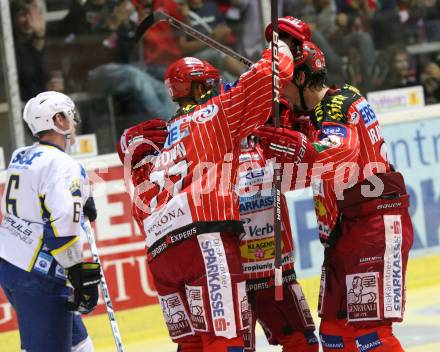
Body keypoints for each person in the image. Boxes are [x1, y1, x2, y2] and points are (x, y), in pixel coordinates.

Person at [117, 24, 297, 349]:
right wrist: (281, 46)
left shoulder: (165, 137)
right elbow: (273, 73)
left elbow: (139, 205)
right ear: (200, 89)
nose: (219, 89)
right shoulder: (216, 113)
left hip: (160, 252)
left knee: (193, 345)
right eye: (212, 85)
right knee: (224, 341)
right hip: (204, 241)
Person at [254, 41, 414, 351]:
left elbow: (339, 151)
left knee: (370, 334)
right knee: (334, 334)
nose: (282, 96)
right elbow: (297, 174)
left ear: (300, 79)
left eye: (284, 87)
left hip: (374, 225)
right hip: (348, 230)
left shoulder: (336, 105)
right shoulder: (323, 111)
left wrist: (298, 145)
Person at [0, 91, 101, 351]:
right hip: (39, 272)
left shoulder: (20, 155)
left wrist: (80, 196)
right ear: (59, 119)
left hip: (11, 264)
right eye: (71, 116)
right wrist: (78, 273)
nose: (75, 123)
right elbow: (62, 230)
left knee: (79, 345)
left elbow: (36, 202)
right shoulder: (63, 164)